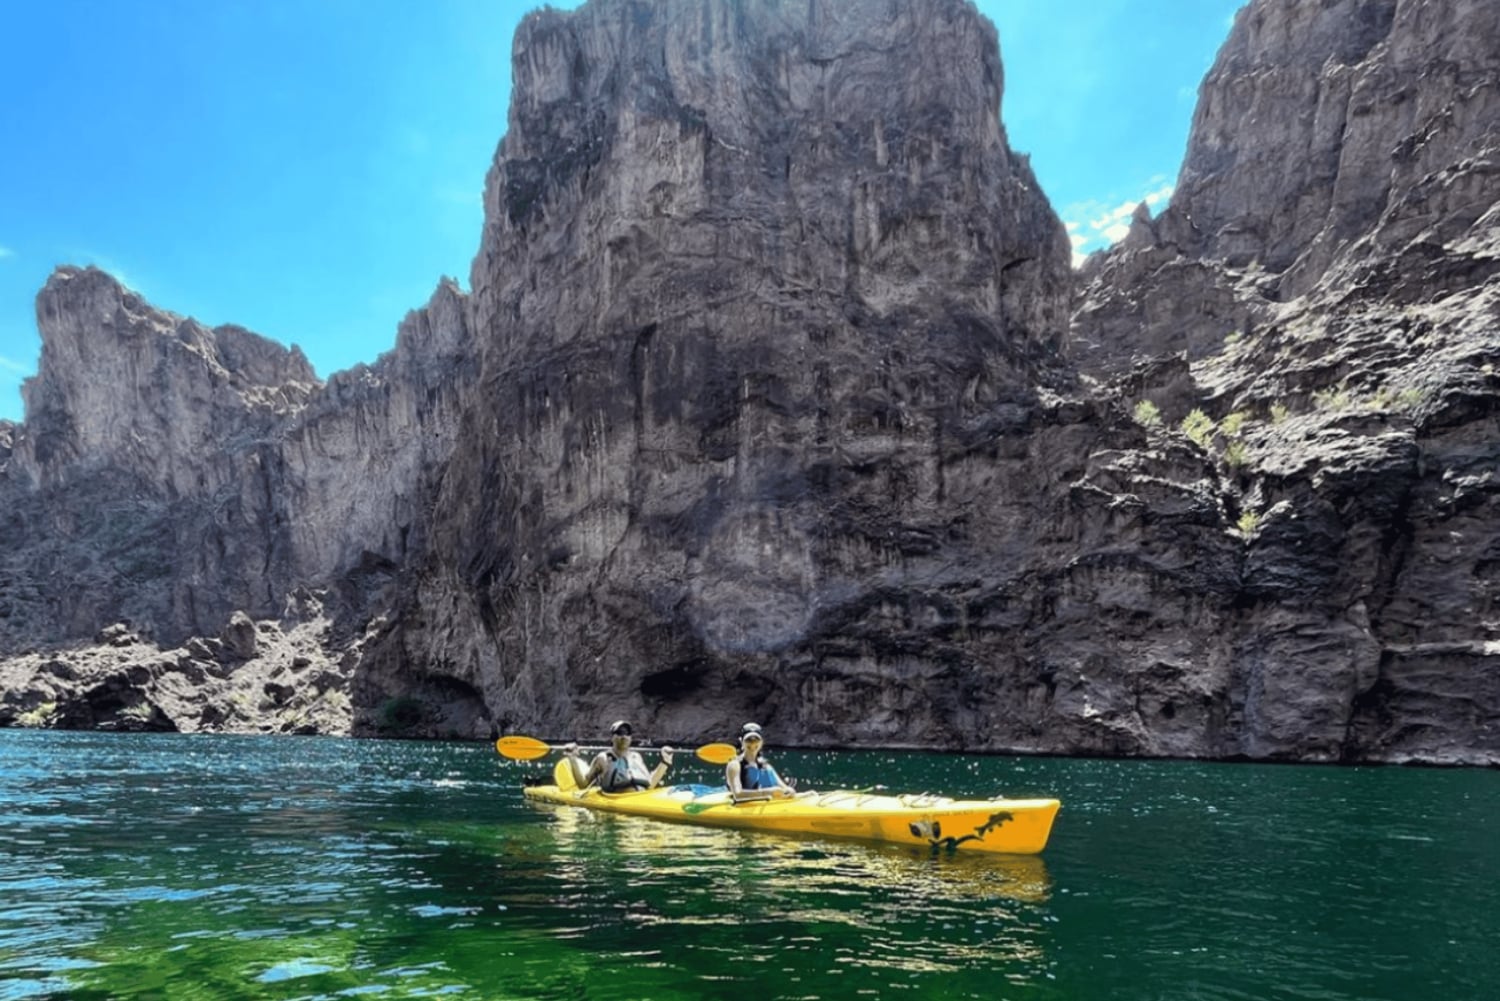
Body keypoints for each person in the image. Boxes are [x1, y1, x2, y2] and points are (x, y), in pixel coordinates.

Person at [563, 720, 673, 792]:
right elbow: (583, 785)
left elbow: (650, 784)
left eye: (627, 733)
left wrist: (665, 762)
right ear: (612, 738)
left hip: (641, 797)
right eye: (620, 733)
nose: (624, 736)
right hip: (617, 801)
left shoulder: (636, 757)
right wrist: (572, 759)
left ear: (631, 738)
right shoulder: (602, 758)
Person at [725, 722, 794, 801]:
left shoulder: (766, 766)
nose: (752, 743)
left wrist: (789, 791)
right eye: (748, 740)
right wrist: (768, 792)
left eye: (756, 740)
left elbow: (784, 788)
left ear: (761, 742)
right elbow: (737, 795)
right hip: (744, 807)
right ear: (741, 741)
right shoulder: (734, 765)